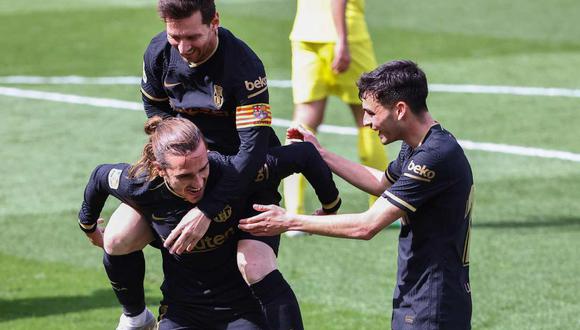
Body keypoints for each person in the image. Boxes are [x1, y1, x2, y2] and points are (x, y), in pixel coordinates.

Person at [93, 0, 302, 328]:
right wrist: (173, 164)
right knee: (117, 237)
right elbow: (156, 114)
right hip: (186, 169)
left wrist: (207, 209)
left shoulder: (244, 67)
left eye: (192, 37)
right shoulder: (159, 52)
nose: (184, 47)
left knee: (255, 264)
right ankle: (136, 316)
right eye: (176, 37)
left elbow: (252, 149)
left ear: (214, 21)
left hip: (240, 174)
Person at [240, 60, 474, 329]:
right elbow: (382, 184)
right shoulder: (421, 145)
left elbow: (367, 225)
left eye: (371, 113)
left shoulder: (434, 156)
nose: (366, 122)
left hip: (433, 300)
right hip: (421, 292)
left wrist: (289, 220)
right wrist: (321, 154)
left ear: (399, 110)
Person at [79, 117, 341, 329]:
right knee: (116, 235)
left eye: (202, 168)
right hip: (182, 312)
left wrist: (331, 206)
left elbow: (304, 154)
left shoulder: (231, 173)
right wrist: (89, 226)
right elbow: (100, 178)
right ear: (161, 170)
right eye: (185, 176)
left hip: (242, 310)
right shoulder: (141, 184)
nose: (199, 182)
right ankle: (135, 317)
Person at [283, 0, 387, 222]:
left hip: (305, 33)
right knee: (369, 117)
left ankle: (293, 212)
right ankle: (384, 205)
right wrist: (342, 38)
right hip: (345, 34)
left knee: (303, 119)